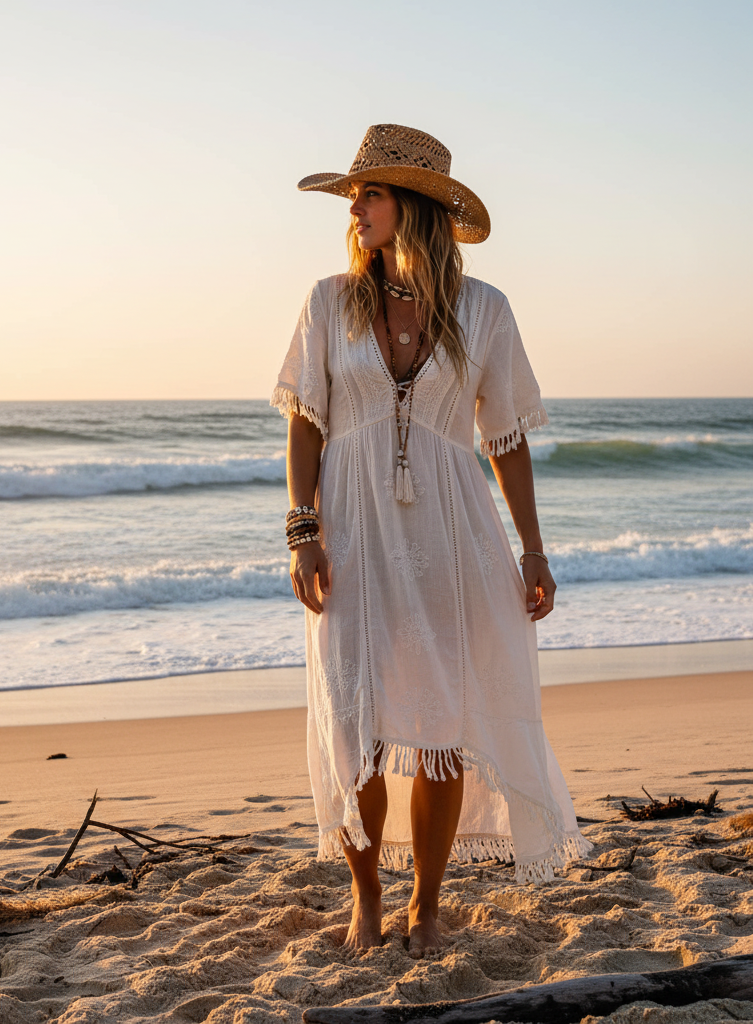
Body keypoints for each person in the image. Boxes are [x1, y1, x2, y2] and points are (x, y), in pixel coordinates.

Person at [271, 124, 591, 955]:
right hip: (351, 532)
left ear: (412, 205)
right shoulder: (327, 302)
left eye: (370, 193)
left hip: (453, 537)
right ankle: (367, 896)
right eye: (352, 196)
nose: (356, 209)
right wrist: (303, 529)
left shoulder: (485, 311)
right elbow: (307, 424)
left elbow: (507, 439)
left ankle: (427, 903)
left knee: (442, 729)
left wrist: (534, 548)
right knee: (359, 725)